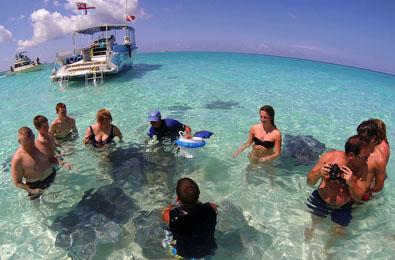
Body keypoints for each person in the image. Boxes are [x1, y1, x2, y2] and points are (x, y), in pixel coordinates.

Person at [306, 135, 370, 232]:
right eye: (364, 157)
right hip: (321, 200)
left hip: (343, 206)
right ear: (352, 155)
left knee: (338, 233)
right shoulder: (330, 157)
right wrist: (319, 173)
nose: (367, 161)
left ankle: (327, 247)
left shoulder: (363, 168)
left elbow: (358, 197)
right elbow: (309, 182)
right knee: (314, 225)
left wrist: (351, 182)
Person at [162, 177, 217, 259]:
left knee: (166, 229)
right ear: (199, 192)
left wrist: (173, 205)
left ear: (178, 198)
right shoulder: (212, 208)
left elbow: (164, 212)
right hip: (208, 250)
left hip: (183, 253)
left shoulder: (170, 215)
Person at [11, 127, 68, 199]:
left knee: (58, 195)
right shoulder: (18, 159)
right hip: (35, 185)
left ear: (34, 137)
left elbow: (51, 158)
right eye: (26, 144)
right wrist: (32, 190)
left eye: (31, 142)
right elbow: (17, 182)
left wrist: (62, 163)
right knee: (36, 205)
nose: (30, 146)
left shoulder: (41, 145)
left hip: (51, 175)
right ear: (19, 141)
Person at [357, 119, 390, 199]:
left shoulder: (379, 157)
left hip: (364, 194)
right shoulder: (382, 145)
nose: (359, 139)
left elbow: (379, 187)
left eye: (362, 137)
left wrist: (367, 192)